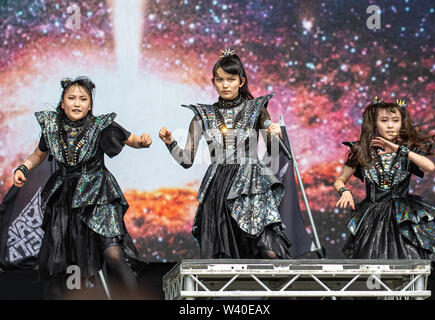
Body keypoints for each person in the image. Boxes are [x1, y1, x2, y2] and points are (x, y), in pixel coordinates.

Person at [13, 77, 151, 299]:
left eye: (83, 99)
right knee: (66, 262)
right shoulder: (52, 127)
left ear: (90, 105)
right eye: (71, 98)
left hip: (98, 194)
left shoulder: (100, 126)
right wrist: (23, 168)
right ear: (62, 103)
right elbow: (39, 154)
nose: (77, 103)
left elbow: (130, 139)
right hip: (65, 198)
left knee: (114, 254)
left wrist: (142, 142)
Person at [159, 49, 291, 259]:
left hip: (252, 184)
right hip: (218, 188)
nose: (225, 84)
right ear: (214, 82)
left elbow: (272, 150)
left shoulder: (256, 109)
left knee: (270, 251)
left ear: (241, 81)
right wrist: (170, 143)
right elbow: (186, 160)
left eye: (231, 79)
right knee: (222, 260)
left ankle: (282, 292)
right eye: (220, 80)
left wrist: (275, 133)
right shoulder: (202, 115)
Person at [334, 97, 435, 294]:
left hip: (404, 214)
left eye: (395, 120)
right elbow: (339, 180)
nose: (390, 126)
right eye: (384, 120)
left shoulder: (407, 151)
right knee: (374, 273)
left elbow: (429, 167)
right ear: (374, 123)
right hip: (374, 216)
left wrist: (399, 149)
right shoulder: (362, 150)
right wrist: (344, 190)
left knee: (429, 263)